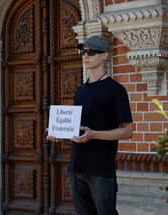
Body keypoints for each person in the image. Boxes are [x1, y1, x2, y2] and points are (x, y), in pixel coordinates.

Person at [46, 36, 133, 215]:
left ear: (104, 56)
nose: (86, 56)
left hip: (101, 170)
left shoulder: (116, 90)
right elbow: (79, 128)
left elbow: (127, 131)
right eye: (83, 52)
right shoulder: (80, 90)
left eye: (91, 52)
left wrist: (94, 135)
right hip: (77, 167)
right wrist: (58, 132)